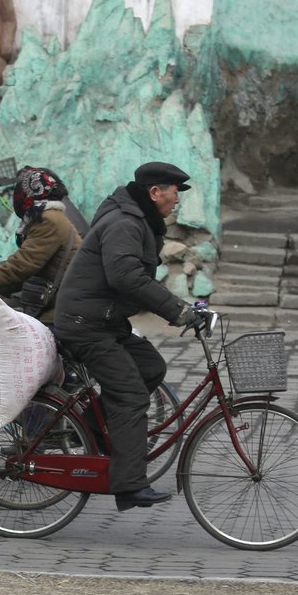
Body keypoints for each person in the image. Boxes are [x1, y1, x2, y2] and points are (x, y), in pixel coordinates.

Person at [53, 161, 199, 512]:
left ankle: (89, 428)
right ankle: (130, 484)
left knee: (150, 366)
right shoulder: (124, 222)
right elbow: (127, 277)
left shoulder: (136, 219)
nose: (177, 199)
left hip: (104, 320)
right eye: (174, 192)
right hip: (85, 324)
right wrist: (178, 312)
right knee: (131, 395)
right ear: (155, 192)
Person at [0, 167, 81, 324]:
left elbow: (24, 264)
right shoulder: (51, 216)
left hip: (62, 304)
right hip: (58, 295)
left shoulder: (48, 219)